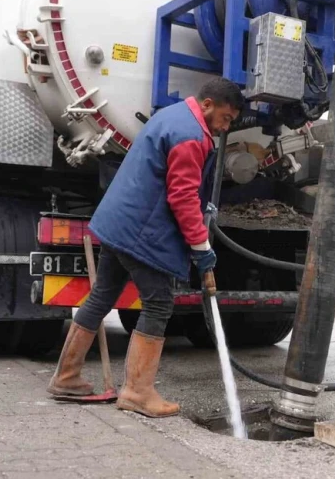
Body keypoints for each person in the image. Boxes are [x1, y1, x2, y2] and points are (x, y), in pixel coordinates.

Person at [47, 77, 244, 417]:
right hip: (142, 231)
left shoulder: (171, 116)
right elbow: (182, 197)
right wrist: (200, 246)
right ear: (208, 104)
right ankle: (137, 392)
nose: (226, 127)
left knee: (102, 295)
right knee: (158, 303)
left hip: (118, 222)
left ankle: (66, 377)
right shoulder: (191, 136)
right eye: (226, 118)